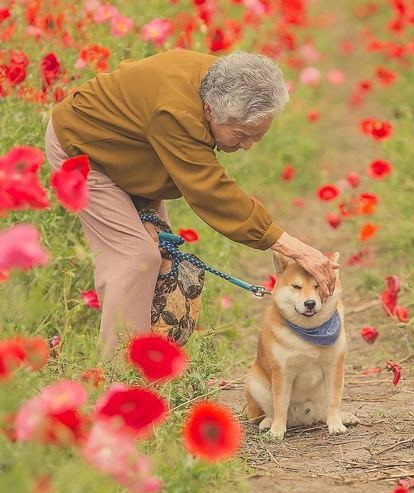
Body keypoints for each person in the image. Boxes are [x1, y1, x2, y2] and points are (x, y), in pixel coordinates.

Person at [44, 49, 338, 360]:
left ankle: (153, 361)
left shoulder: (227, 80)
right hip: (84, 153)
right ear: (210, 110)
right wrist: (292, 246)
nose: (247, 146)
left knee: (160, 255)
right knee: (135, 257)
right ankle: (120, 376)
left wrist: (143, 209)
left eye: (257, 137)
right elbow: (210, 191)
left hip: (134, 155)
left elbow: (143, 137)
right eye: (240, 135)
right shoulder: (178, 113)